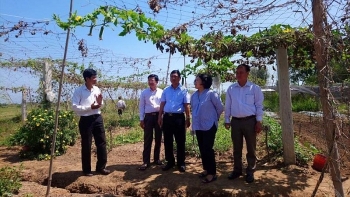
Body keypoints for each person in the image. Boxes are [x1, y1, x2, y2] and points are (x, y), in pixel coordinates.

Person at [224, 64, 264, 183]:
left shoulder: (254, 88)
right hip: (235, 122)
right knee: (237, 148)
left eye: (241, 72)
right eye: (237, 72)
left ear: (247, 74)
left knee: (251, 148)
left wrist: (258, 121)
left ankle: (250, 171)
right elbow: (228, 105)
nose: (238, 74)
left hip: (250, 121)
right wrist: (227, 119)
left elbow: (259, 105)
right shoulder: (231, 89)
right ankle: (237, 170)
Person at [72, 68, 110, 176]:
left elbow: (100, 102)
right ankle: (87, 170)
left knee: (102, 142)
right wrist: (90, 107)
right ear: (87, 79)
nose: (96, 79)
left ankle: (101, 167)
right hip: (86, 120)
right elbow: (75, 107)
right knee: (86, 144)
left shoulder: (96, 89)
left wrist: (99, 103)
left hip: (97, 117)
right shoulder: (79, 91)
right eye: (94, 77)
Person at [191, 74, 224, 183]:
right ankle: (206, 169)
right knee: (202, 148)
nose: (195, 81)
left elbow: (220, 107)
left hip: (209, 125)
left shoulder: (211, 94)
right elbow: (193, 111)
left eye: (197, 80)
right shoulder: (194, 96)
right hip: (199, 125)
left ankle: (212, 173)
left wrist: (215, 118)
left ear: (203, 82)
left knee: (207, 149)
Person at [158, 70, 191, 172]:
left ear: (179, 78)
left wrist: (188, 118)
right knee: (168, 141)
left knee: (180, 141)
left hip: (179, 118)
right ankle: (170, 162)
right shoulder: (166, 90)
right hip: (167, 117)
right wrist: (160, 116)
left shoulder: (184, 90)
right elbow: (162, 104)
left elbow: (186, 105)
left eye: (175, 76)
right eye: (172, 76)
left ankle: (181, 163)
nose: (173, 78)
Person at [138, 74, 163, 170]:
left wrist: (161, 117)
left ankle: (156, 159)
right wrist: (141, 119)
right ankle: (146, 161)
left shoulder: (162, 92)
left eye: (152, 80)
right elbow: (141, 106)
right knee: (147, 139)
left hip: (158, 117)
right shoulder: (144, 93)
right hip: (148, 117)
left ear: (157, 81)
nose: (150, 82)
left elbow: (163, 105)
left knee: (158, 138)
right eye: (149, 80)